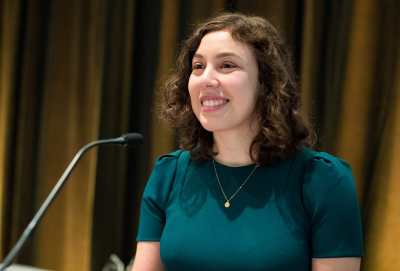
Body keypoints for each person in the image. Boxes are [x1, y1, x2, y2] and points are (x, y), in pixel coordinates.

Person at [131, 13, 363, 271]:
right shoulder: (169, 174)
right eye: (198, 66)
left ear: (266, 84)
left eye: (227, 65)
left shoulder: (323, 179)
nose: (206, 78)